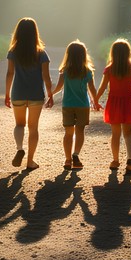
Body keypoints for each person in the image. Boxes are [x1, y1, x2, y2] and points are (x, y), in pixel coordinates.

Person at [4, 17, 54, 170]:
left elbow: (10, 73)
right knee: (33, 128)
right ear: (35, 33)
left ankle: (20, 149)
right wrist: (50, 94)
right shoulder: (41, 53)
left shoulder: (13, 52)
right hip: (35, 95)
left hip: (18, 93)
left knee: (19, 125)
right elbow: (46, 77)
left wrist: (7, 94)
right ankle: (30, 161)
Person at [94, 38, 131, 172]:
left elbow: (102, 87)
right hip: (128, 101)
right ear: (128, 53)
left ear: (113, 53)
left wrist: (96, 100)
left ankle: (115, 160)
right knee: (128, 133)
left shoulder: (110, 69)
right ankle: (130, 160)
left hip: (114, 102)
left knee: (115, 134)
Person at [49, 40, 101, 169]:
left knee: (68, 133)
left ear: (69, 55)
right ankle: (76, 154)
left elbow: (59, 87)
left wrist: (50, 95)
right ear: (84, 55)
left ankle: (67, 160)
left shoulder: (65, 71)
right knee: (80, 131)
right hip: (83, 105)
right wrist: (95, 101)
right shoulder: (87, 72)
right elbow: (92, 89)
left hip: (68, 105)